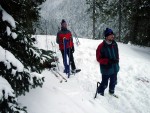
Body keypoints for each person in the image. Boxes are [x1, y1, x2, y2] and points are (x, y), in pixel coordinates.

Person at [96, 28, 120, 96]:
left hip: (114, 68)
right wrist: (108, 61)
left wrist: (117, 60)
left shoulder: (115, 44)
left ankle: (111, 92)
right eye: (110, 35)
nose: (112, 36)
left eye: (113, 34)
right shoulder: (101, 46)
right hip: (106, 69)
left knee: (113, 82)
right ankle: (100, 92)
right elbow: (98, 58)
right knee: (104, 83)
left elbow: (117, 54)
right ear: (106, 36)